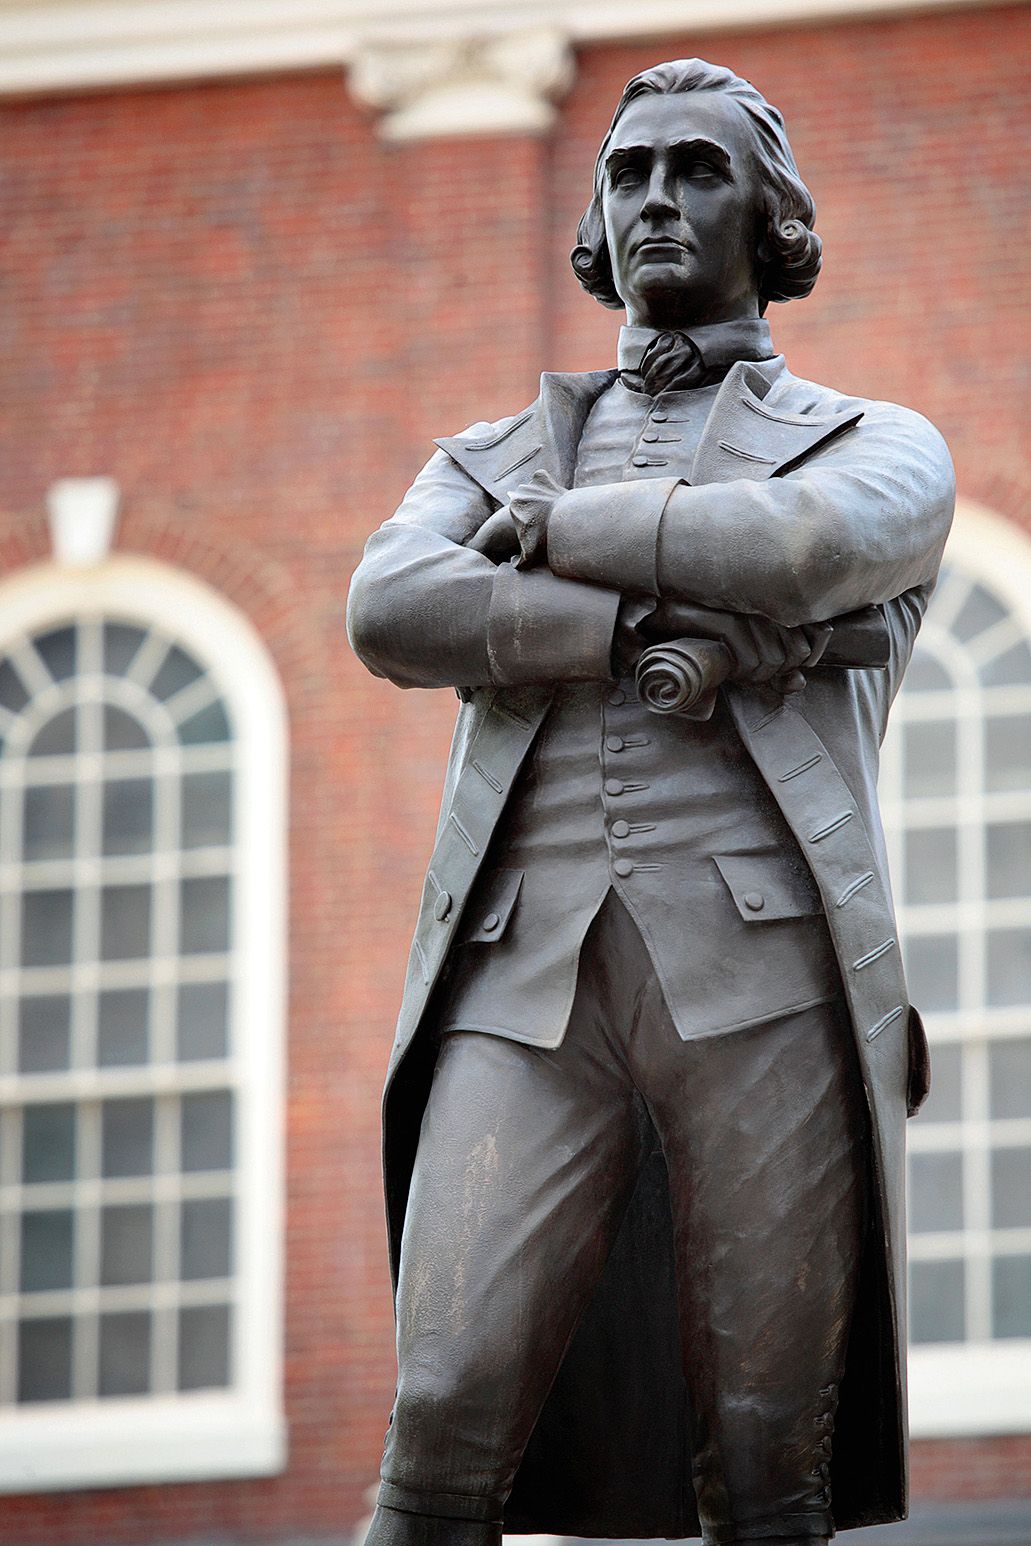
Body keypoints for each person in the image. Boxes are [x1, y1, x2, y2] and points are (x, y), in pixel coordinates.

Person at [346, 58, 955, 1546]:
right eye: (628, 173)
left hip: (763, 980)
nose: (658, 198)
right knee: (438, 1413)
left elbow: (813, 549)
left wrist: (564, 535)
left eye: (698, 169)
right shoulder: (480, 453)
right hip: (520, 981)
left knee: (768, 1458)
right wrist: (620, 625)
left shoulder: (871, 441)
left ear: (776, 216)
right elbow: (391, 603)